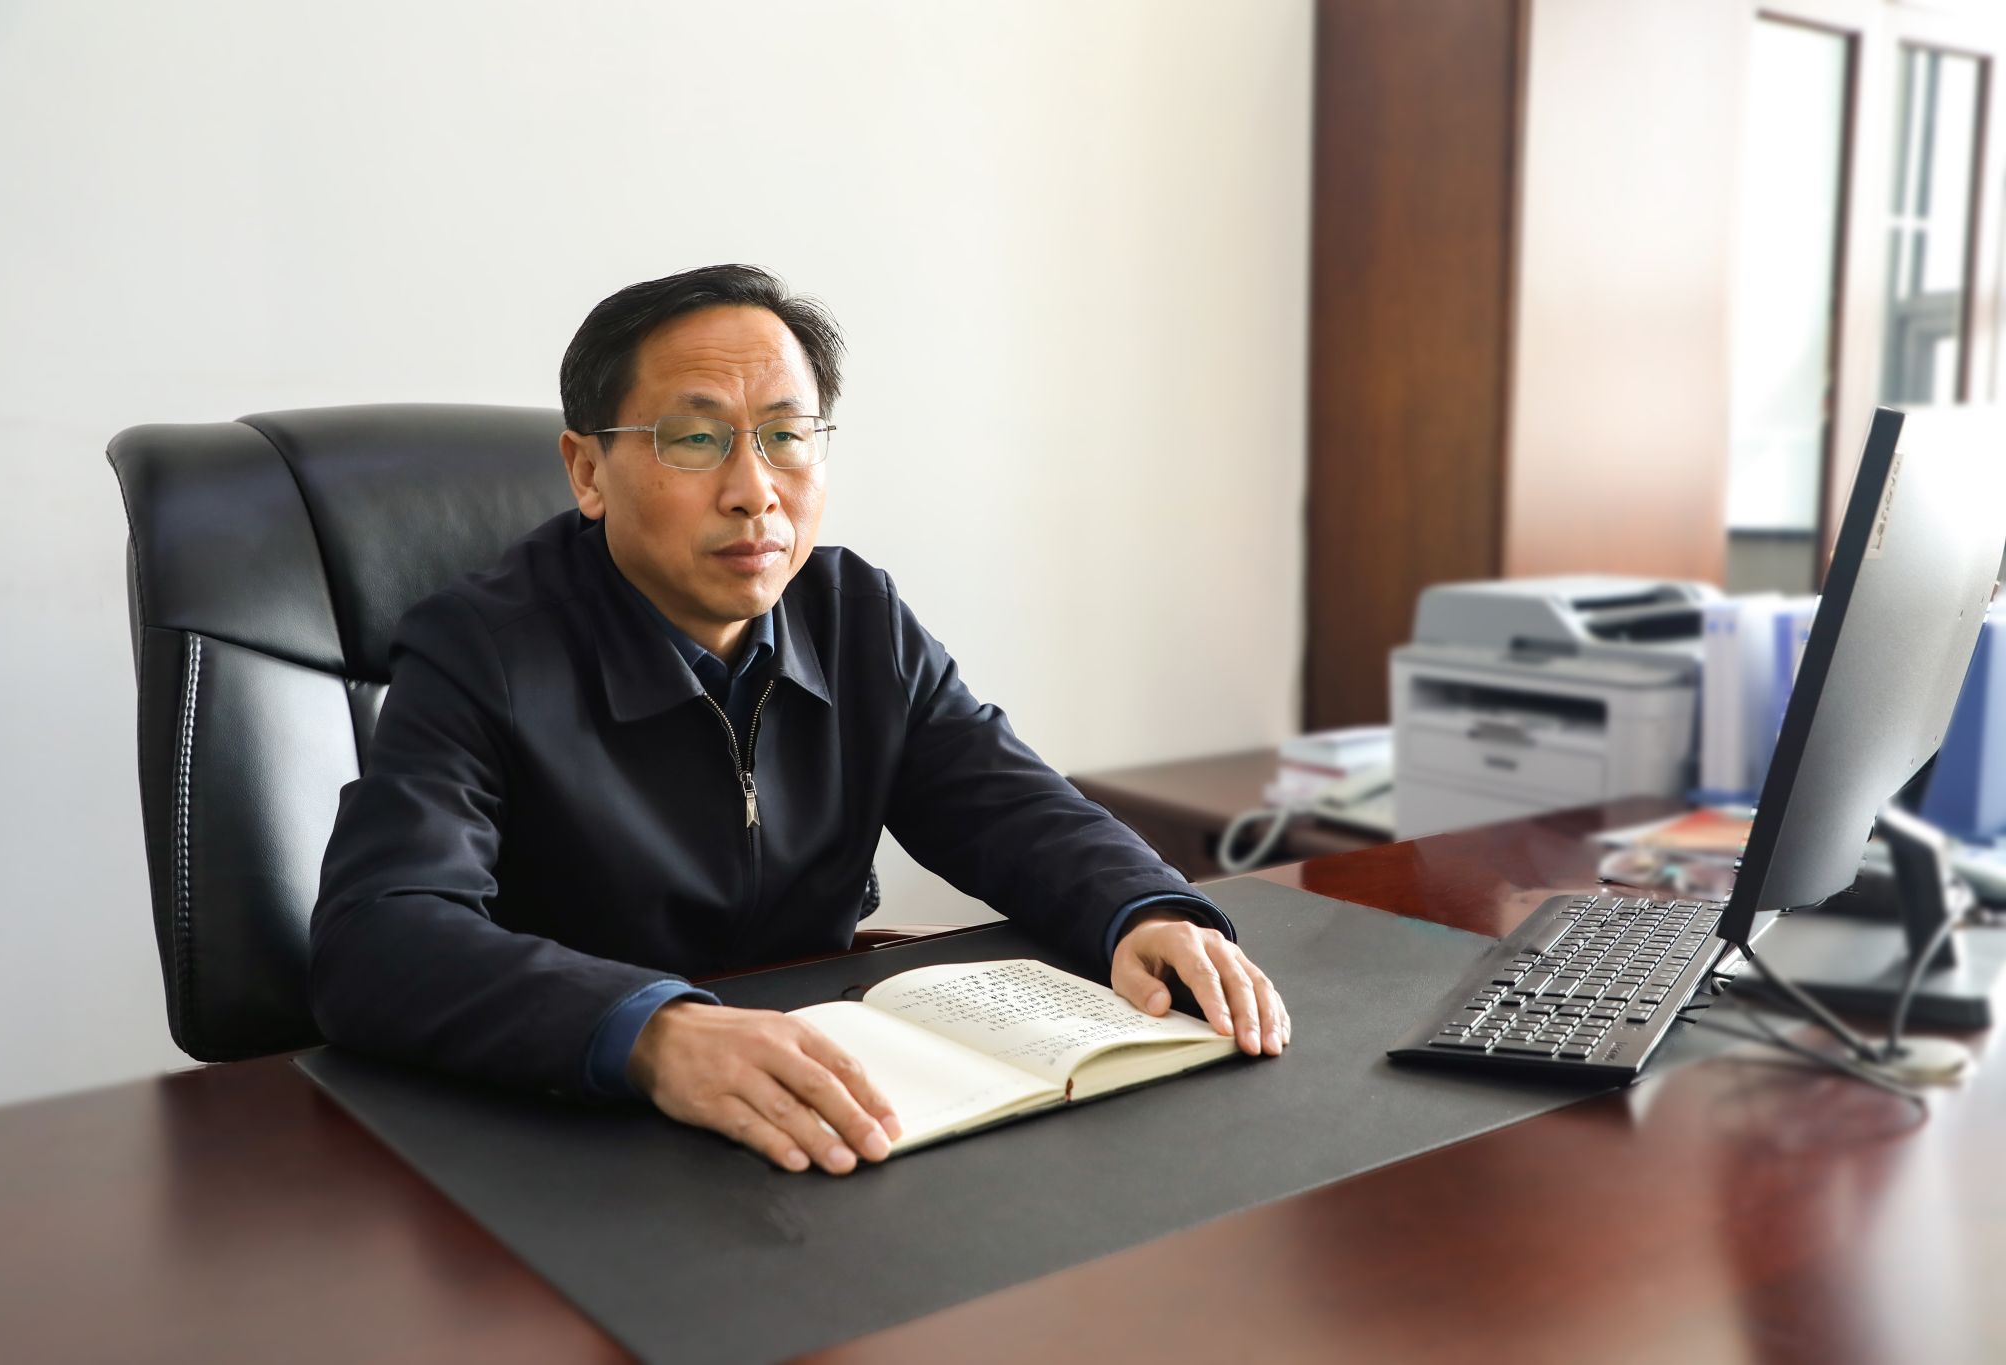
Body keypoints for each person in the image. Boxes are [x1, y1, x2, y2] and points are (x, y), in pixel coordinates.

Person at [310, 264, 1290, 1176]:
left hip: (823, 1111)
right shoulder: (479, 649)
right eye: (695, 439)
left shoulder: (854, 615)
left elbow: (1008, 804)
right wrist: (651, 1032)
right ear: (587, 472)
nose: (754, 492)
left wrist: (1144, 908)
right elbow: (379, 934)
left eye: (786, 436)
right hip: (580, 1134)